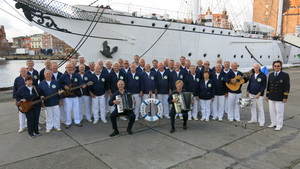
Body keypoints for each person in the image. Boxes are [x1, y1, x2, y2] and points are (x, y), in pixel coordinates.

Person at [59, 63, 85, 128]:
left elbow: (80, 82)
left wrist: (83, 85)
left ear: (73, 68)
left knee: (76, 109)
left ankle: (77, 121)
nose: (70, 69)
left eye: (71, 67)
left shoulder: (77, 75)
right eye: (68, 67)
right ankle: (68, 122)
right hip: (67, 96)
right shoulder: (63, 76)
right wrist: (64, 86)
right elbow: (59, 84)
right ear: (66, 68)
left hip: (75, 95)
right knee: (67, 110)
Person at [266, 60, 290, 131]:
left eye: (278, 66)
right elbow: (269, 86)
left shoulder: (285, 75)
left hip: (280, 96)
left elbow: (287, 86)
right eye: (275, 66)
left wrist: (285, 97)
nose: (276, 67)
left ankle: (279, 124)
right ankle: (273, 122)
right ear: (273, 67)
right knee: (271, 110)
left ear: (281, 67)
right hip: (271, 96)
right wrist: (267, 95)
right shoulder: (271, 75)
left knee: (279, 111)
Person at [13, 67, 28, 133]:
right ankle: (22, 126)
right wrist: (15, 99)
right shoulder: (17, 79)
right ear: (20, 72)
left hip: (29, 99)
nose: (23, 72)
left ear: (26, 71)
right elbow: (15, 90)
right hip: (21, 99)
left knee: (29, 113)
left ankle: (29, 125)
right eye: (22, 71)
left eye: (24, 71)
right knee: (21, 113)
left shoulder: (30, 78)